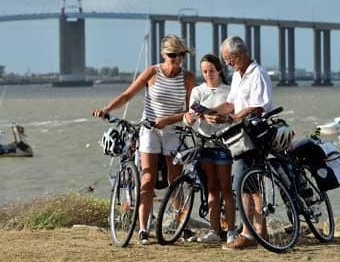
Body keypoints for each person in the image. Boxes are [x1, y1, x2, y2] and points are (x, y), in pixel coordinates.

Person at [92, 34, 196, 245]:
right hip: (149, 129)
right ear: (163, 54)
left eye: (180, 56)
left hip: (173, 130)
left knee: (174, 181)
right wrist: (107, 109)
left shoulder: (188, 78)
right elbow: (127, 95)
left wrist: (169, 120)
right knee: (147, 179)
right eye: (171, 55)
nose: (175, 60)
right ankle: (142, 228)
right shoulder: (152, 72)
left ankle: (179, 224)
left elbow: (190, 111)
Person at [203, 35, 273, 250]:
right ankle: (260, 232)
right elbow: (231, 104)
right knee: (250, 185)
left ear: (240, 53)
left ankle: (248, 234)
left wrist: (233, 117)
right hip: (241, 137)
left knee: (244, 182)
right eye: (225, 59)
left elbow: (259, 106)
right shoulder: (237, 76)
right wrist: (211, 113)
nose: (226, 63)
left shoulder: (257, 73)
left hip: (255, 133)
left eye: (229, 58)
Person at [183, 54, 237, 244]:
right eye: (204, 72)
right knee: (211, 189)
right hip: (203, 143)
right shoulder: (198, 91)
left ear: (219, 70)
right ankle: (214, 231)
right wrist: (188, 119)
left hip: (222, 144)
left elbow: (234, 113)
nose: (208, 75)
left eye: (211, 71)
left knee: (226, 188)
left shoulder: (229, 91)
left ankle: (231, 231)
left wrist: (219, 117)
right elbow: (192, 114)